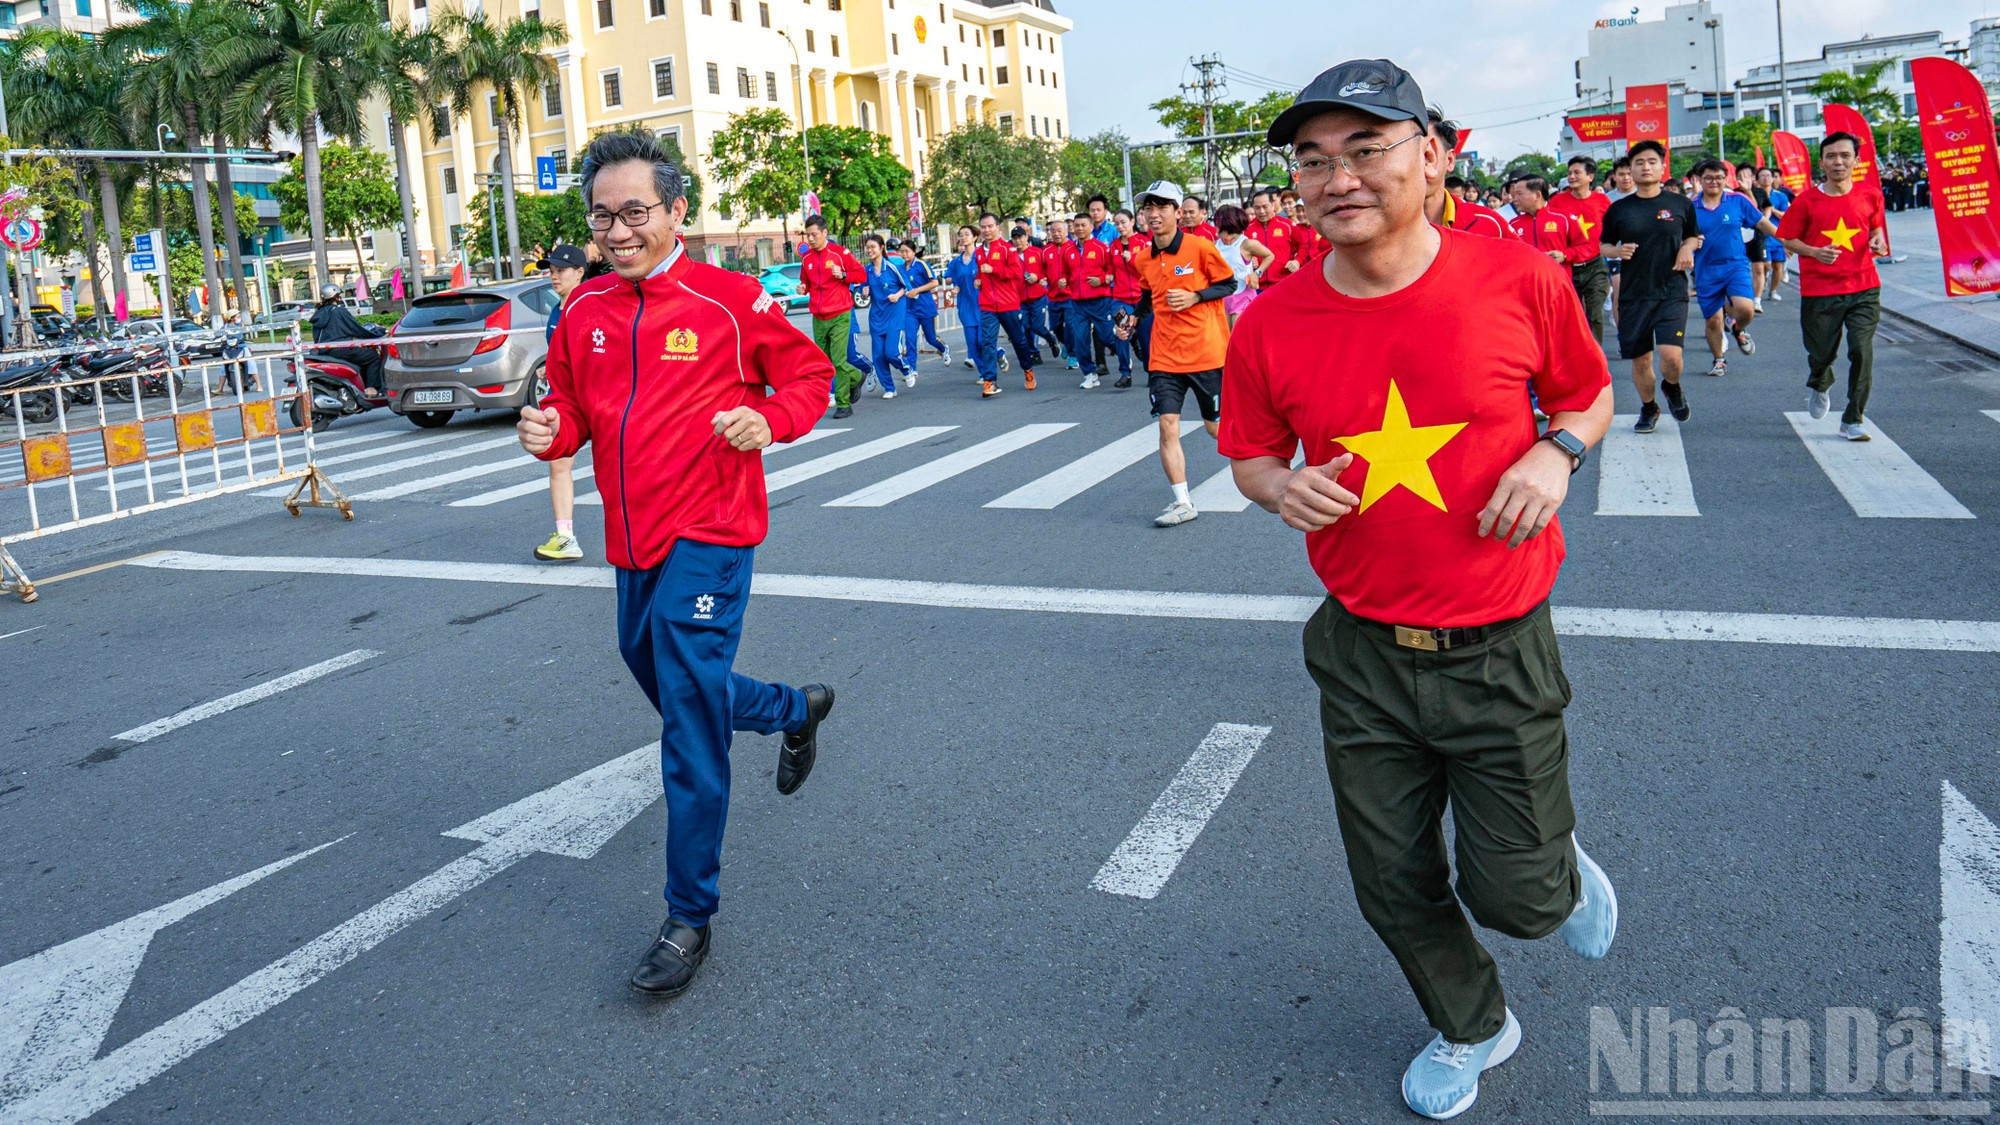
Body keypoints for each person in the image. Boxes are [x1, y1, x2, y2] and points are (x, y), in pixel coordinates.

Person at [1222, 59, 1616, 1122]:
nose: (1336, 177)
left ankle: (1549, 867)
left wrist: (1553, 457)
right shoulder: (1268, 320)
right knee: (1390, 882)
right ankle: (1472, 1024)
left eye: (1366, 149)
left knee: (1521, 904)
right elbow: (1250, 455)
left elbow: (1582, 395)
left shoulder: (1517, 278)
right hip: (1358, 649)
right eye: (1312, 160)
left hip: (1496, 642)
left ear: (1431, 155)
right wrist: (1277, 489)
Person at [516, 129, 838, 1000]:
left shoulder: (731, 299)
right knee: (665, 677)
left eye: (636, 213)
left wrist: (770, 421)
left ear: (678, 212)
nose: (618, 232)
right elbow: (575, 409)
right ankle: (787, 707)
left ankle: (689, 913)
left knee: (688, 721)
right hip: (633, 541)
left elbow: (811, 379)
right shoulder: (581, 311)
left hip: (714, 530)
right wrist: (553, 430)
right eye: (602, 216)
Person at [1115, 180, 1235, 527]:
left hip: (1207, 353)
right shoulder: (1143, 258)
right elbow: (1147, 296)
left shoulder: (1200, 248)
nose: (1153, 214)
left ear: (1177, 213)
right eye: (1148, 209)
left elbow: (1228, 284)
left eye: (1161, 207)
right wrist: (1133, 319)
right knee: (1168, 426)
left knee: (1217, 429)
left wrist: (1196, 296)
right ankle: (1183, 502)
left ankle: (1266, 462)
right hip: (1164, 357)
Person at [1775, 131, 1889, 441]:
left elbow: (1875, 226)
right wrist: (1814, 252)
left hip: (1864, 287)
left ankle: (1853, 419)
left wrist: (1878, 239)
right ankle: (1821, 381)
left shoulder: (1870, 195)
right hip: (1819, 291)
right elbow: (1787, 238)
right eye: (1831, 156)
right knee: (1821, 353)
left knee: (1861, 351)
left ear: (1856, 160)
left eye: (1844, 155)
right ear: (1822, 162)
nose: (1838, 161)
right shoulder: (1806, 201)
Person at [1600, 140, 1701, 433]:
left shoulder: (1679, 204)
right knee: (1642, 360)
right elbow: (1604, 245)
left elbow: (1693, 236)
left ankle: (1672, 386)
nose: (1646, 167)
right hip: (1634, 293)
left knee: (1671, 356)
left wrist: (1687, 248)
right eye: (1640, 162)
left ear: (1662, 166)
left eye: (1652, 161)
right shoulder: (1619, 209)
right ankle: (1649, 407)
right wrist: (1616, 252)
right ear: (1630, 169)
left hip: (1671, 290)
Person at [1690, 159, 1779, 377]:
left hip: (1735, 265)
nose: (1714, 182)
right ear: (1700, 180)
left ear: (1725, 179)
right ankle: (1719, 360)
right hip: (1705, 269)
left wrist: (1788, 240)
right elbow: (1679, 237)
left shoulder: (1737, 200)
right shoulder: (1690, 207)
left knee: (1746, 309)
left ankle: (1738, 330)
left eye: (1719, 178)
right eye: (1708, 178)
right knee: (1713, 320)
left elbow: (1761, 223)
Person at [534, 244, 590, 563]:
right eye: (551, 272)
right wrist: (549, 365)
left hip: (599, 400)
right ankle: (566, 536)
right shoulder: (557, 309)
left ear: (580, 273)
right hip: (567, 402)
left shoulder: (592, 305)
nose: (554, 277)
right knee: (559, 463)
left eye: (561, 271)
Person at [798, 214, 868, 419]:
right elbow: (806, 284)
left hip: (840, 314)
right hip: (818, 317)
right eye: (808, 235)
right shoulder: (807, 259)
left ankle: (844, 404)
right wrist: (802, 288)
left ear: (824, 233)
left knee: (838, 360)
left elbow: (862, 275)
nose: (810, 239)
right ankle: (857, 376)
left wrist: (844, 275)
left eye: (814, 235)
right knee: (823, 362)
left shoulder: (840, 254)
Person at [1546, 156, 1612, 343]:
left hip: (1594, 266)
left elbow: (1608, 233)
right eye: (1569, 173)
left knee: (1594, 315)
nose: (1571, 177)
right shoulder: (1557, 202)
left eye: (1577, 173)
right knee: (1571, 317)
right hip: (1566, 267)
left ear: (1590, 177)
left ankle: (1596, 360)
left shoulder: (1602, 201)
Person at [974, 211, 1038, 396]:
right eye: (983, 227)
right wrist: (978, 280)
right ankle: (990, 381)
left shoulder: (1007, 249)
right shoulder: (979, 252)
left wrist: (994, 269)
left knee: (1019, 341)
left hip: (1008, 304)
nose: (987, 230)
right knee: (987, 342)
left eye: (990, 226)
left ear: (997, 228)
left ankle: (1028, 370)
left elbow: (1017, 273)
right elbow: (980, 273)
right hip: (987, 305)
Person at [1506, 178, 1596, 298]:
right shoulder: (1513, 225)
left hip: (1558, 288)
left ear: (1537, 194)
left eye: (1519, 194)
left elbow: (1585, 247)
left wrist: (1564, 255)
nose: (1514, 199)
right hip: (1526, 291)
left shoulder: (1563, 218)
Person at [1067, 213, 1128, 389]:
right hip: (1078, 303)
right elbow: (1065, 272)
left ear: (1091, 226)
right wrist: (1064, 280)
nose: (1079, 229)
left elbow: (1111, 271)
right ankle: (1089, 373)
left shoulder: (1101, 248)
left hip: (1099, 301)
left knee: (1107, 337)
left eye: (1083, 225)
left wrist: (1100, 280)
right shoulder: (1069, 251)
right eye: (1076, 225)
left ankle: (1124, 358)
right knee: (1080, 340)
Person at [308, 283, 385, 397]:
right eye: (339, 295)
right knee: (372, 356)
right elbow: (356, 329)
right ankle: (371, 388)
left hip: (323, 350)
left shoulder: (319, 313)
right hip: (342, 350)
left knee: (362, 356)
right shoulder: (340, 312)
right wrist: (377, 332)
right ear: (337, 297)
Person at [861, 234, 914, 398]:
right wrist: (863, 293)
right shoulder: (867, 270)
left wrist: (897, 295)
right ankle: (889, 388)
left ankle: (906, 369)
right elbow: (863, 292)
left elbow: (907, 286)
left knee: (891, 352)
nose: (870, 250)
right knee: (878, 356)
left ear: (881, 248)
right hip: (877, 317)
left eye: (873, 247)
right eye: (868, 247)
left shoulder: (892, 267)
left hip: (894, 315)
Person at [1212, 204, 1273, 327]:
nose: (1216, 229)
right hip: (1223, 296)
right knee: (1226, 339)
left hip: (1243, 295)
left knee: (1238, 334)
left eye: (1219, 225)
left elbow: (1269, 256)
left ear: (1229, 226)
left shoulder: (1246, 244)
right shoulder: (1214, 245)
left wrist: (1257, 273)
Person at [897, 240, 949, 369]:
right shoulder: (900, 268)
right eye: (901, 251)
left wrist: (917, 290)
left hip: (925, 307)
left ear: (913, 252)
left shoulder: (921, 265)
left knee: (930, 338)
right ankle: (911, 368)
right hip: (909, 309)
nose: (904, 254)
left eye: (907, 251)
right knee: (910, 339)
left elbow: (934, 283)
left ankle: (943, 349)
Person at [1113, 209, 1152, 378]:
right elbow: (1109, 268)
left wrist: (1133, 259)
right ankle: (1125, 374)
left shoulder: (1144, 243)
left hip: (1142, 299)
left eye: (1123, 222)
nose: (1120, 226)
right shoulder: (1113, 246)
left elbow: (1149, 270)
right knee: (1122, 333)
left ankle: (1150, 372)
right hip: (1120, 298)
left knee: (1145, 338)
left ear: (1132, 221)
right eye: (1117, 223)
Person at [1021, 224, 1064, 366]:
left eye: (1020, 237)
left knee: (1037, 326)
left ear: (1026, 237)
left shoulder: (1037, 252)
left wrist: (1037, 277)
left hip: (1038, 296)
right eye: (1014, 238)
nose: (1018, 241)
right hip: (1021, 299)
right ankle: (1034, 353)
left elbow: (1046, 271)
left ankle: (1051, 340)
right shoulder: (1012, 255)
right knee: (1026, 327)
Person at [1737, 165, 1772, 313]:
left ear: (1753, 177)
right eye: (1740, 175)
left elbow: (1757, 212)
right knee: (1740, 269)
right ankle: (1742, 298)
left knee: (1759, 267)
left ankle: (1757, 301)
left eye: (1747, 175)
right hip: (1739, 237)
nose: (1743, 179)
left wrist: (1748, 191)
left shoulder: (1759, 193)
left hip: (1757, 236)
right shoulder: (1733, 194)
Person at [1246, 188, 1299, 285]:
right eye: (1257, 208)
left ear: (1273, 205)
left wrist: (1297, 261)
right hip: (1258, 286)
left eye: (1265, 207)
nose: (1261, 211)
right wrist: (1249, 260)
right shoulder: (1247, 229)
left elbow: (1302, 247)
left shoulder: (1287, 225)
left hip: (1283, 283)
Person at [1758, 167, 1791, 302]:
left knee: (1778, 266)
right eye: (1762, 176)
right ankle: (1762, 278)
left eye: (1768, 176)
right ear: (1757, 179)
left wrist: (1772, 210)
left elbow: (1786, 215)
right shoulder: (1754, 195)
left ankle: (1773, 291)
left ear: (1773, 179)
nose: (1766, 179)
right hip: (1761, 237)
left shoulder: (1780, 196)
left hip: (1778, 236)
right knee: (1766, 264)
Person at [214, 308, 253, 395]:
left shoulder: (241, 325)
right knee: (223, 368)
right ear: (231, 318)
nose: (239, 318)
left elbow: (247, 330)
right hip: (229, 349)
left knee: (251, 363)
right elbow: (218, 334)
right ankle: (220, 389)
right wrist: (215, 338)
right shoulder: (225, 327)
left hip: (241, 347)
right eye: (237, 316)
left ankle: (258, 384)